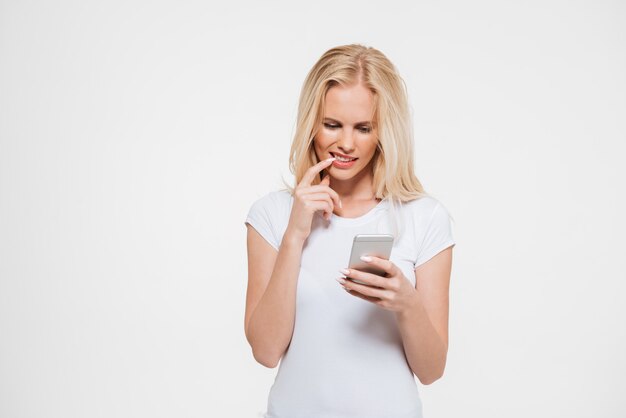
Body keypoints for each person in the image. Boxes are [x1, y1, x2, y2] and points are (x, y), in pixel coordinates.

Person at [244, 44, 456, 418]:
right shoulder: (272, 215)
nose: (345, 143)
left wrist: (406, 302)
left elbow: (431, 370)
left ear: (384, 131)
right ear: (312, 123)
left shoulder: (425, 217)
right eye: (331, 125)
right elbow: (265, 351)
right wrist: (295, 234)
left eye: (363, 128)